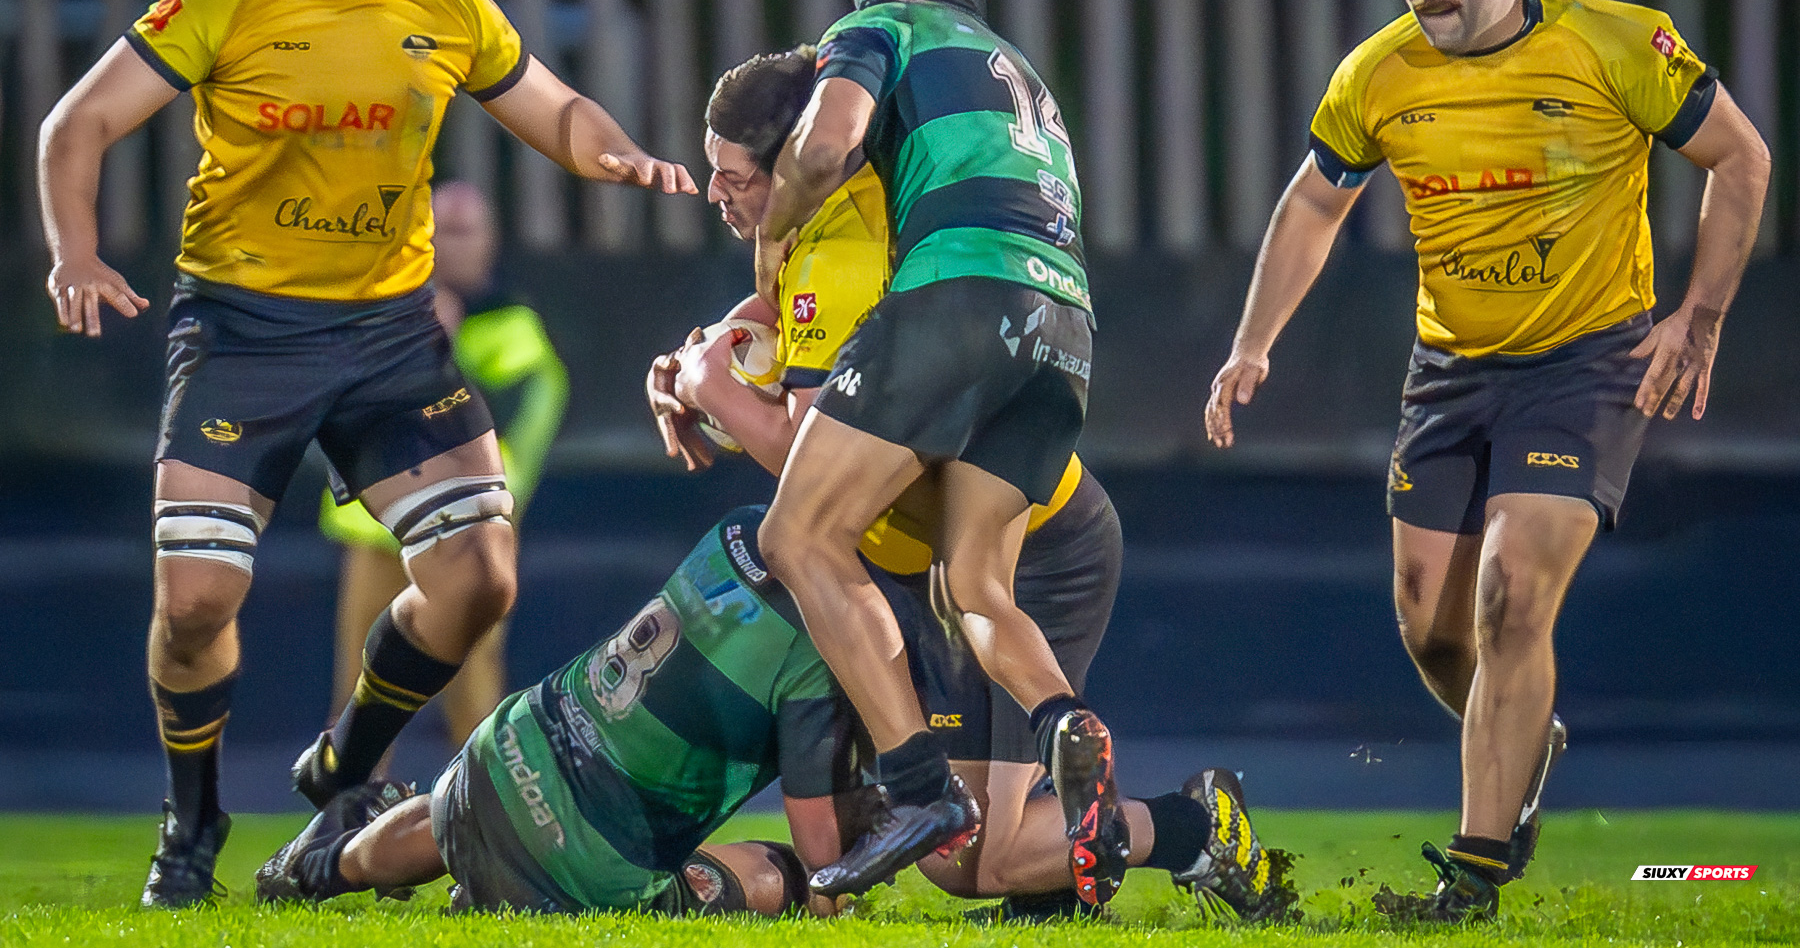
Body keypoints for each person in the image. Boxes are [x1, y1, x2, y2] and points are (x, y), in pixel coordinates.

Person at [35, 0, 695, 907]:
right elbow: (76, 126)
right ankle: (190, 823)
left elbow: (555, 106)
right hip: (244, 328)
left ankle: (346, 761)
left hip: (389, 331)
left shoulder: (443, 3)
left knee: (482, 578)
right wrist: (75, 254)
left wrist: (617, 154)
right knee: (193, 603)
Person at [1204, 0, 1769, 923]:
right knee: (1429, 624)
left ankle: (1472, 875)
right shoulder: (1379, 71)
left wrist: (1700, 316)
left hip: (1586, 367)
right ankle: (1523, 737)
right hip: (1449, 375)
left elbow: (1741, 158)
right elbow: (1314, 205)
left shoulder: (1616, 43)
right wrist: (1251, 345)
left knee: (1513, 599)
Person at [644, 48, 1287, 920]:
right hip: (937, 550)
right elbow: (774, 328)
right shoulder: (799, 227)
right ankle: (1039, 874)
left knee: (970, 857)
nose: (715, 194)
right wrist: (695, 356)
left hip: (1035, 547)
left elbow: (811, 461)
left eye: (732, 177)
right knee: (962, 835)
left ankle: (1195, 828)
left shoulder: (851, 246)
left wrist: (712, 390)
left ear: (792, 161)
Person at [254, 507, 1290, 922]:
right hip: (595, 864)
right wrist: (847, 850)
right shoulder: (838, 649)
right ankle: (1189, 826)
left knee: (459, 813)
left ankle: (317, 863)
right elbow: (819, 845)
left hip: (500, 749)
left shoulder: (746, 526)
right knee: (804, 874)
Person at [735, 0, 1120, 903]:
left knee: (799, 536)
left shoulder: (880, 30)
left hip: (962, 289)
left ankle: (918, 787)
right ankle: (1063, 721)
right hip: (1067, 326)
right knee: (979, 585)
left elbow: (828, 144)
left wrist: (773, 241)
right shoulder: (1016, 63)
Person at [321, 181, 568, 752]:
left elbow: (503, 427)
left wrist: (440, 349)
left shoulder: (514, 329)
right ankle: (345, 821)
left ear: (491, 243)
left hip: (469, 533)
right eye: (437, 231)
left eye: (462, 231)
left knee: (473, 694)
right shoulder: (380, 317)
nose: (447, 245)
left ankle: (480, 821)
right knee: (358, 690)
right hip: (378, 528)